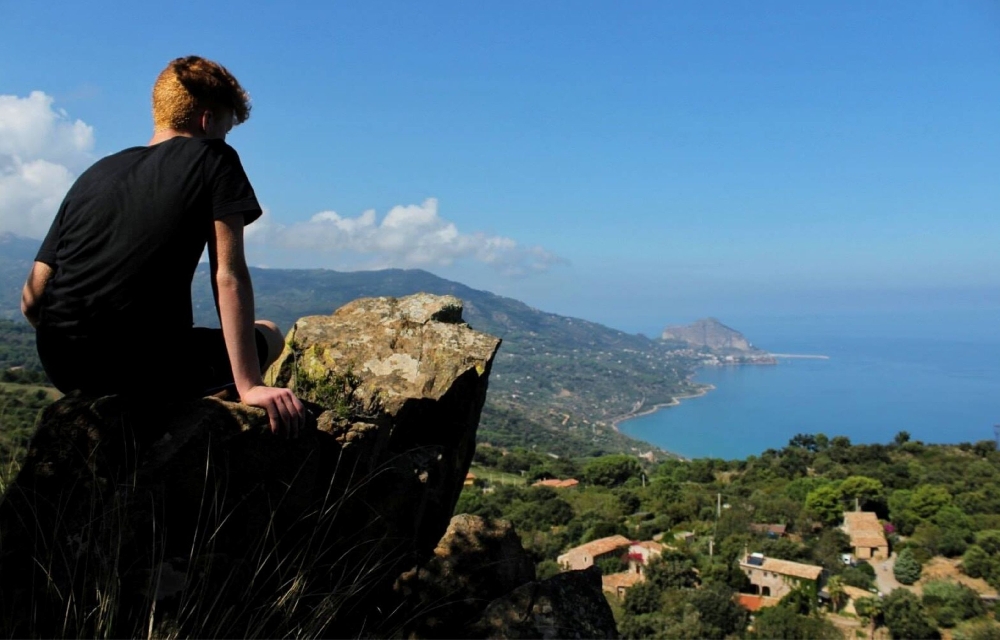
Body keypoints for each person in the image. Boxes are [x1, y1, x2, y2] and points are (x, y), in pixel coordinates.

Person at [20, 55, 305, 438]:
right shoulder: (215, 157)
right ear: (207, 120)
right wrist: (250, 385)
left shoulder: (96, 173)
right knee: (269, 333)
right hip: (145, 369)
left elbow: (33, 297)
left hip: (63, 364)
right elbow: (229, 275)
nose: (225, 137)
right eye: (226, 127)